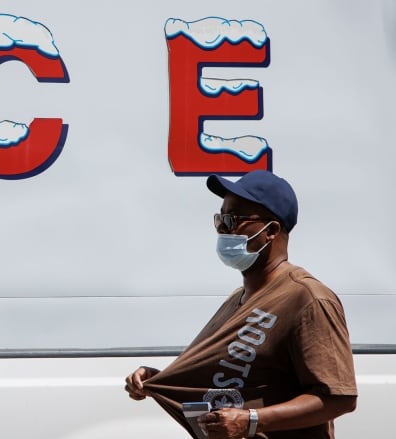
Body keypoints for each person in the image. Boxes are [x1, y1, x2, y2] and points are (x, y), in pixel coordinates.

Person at [124, 170, 357, 439]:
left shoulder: (308, 299)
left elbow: (339, 398)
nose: (223, 228)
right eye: (220, 218)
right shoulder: (237, 299)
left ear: (270, 231)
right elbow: (233, 382)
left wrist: (252, 421)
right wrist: (161, 381)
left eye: (233, 219)